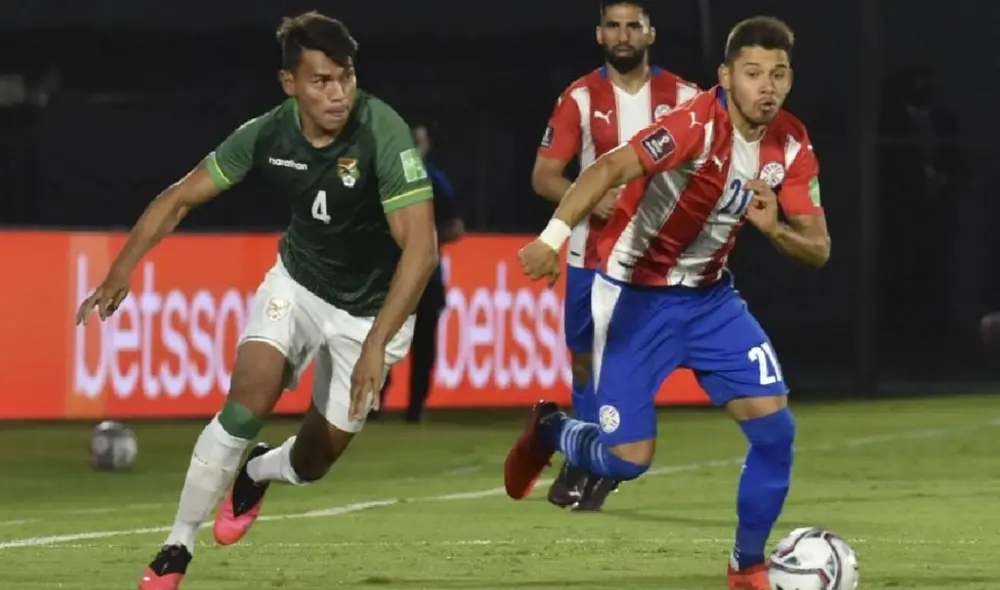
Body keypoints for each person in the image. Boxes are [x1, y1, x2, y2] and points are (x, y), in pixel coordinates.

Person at [73, 12, 439, 590]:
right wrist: (121, 268)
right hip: (297, 284)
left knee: (316, 460)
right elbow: (180, 197)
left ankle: (260, 472)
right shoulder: (268, 133)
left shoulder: (382, 133)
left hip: (371, 312)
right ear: (289, 83)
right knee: (246, 398)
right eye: (321, 81)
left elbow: (421, 250)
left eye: (345, 77)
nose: (338, 93)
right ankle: (176, 546)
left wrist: (373, 345)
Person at [508, 16, 830, 590]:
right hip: (635, 298)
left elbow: (819, 248)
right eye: (754, 73)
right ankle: (553, 429)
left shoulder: (792, 140)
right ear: (726, 76)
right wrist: (551, 239)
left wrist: (776, 228)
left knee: (776, 434)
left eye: (779, 74)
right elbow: (609, 167)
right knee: (627, 459)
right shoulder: (693, 124)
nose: (768, 87)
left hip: (711, 301)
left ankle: (747, 566)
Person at [531, 0, 697, 511]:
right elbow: (544, 175)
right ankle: (584, 451)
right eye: (613, 26)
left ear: (651, 34)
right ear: (600, 34)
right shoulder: (579, 98)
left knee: (624, 361)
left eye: (633, 26)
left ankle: (603, 459)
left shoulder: (686, 98)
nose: (623, 35)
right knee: (584, 362)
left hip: (654, 262)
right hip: (589, 254)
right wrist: (593, 196)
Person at [377, 122, 464, 422]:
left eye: (418, 142)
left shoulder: (434, 181)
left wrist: (423, 237)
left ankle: (414, 408)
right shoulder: (384, 179)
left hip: (424, 277)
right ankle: (374, 403)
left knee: (420, 343)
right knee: (381, 338)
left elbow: (455, 227)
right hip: (389, 275)